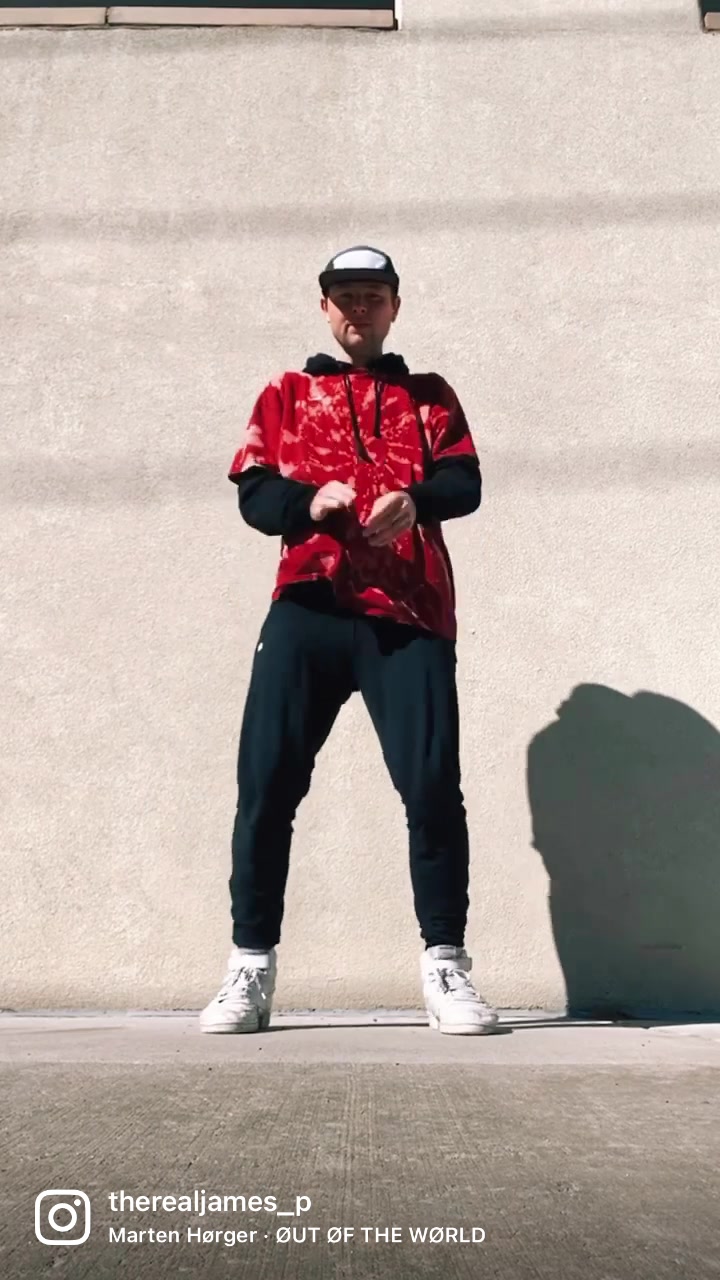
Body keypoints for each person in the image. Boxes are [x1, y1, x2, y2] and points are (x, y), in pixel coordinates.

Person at [200, 246, 498, 1036]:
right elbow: (254, 491)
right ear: (325, 307)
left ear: (395, 306)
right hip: (310, 604)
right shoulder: (288, 394)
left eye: (373, 296)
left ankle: (446, 966)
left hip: (410, 610)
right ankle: (249, 967)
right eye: (345, 297)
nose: (358, 309)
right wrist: (306, 502)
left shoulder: (429, 395)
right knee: (267, 784)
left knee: (431, 787)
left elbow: (465, 482)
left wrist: (416, 499)